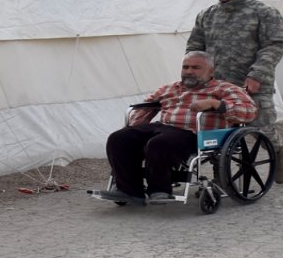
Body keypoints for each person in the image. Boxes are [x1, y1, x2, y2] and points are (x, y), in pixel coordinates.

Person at [103, 51, 257, 205]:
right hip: (164, 127)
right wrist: (134, 130)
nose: (189, 71)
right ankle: (129, 191)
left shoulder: (225, 89)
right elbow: (145, 107)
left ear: (211, 71)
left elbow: (249, 111)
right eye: (186, 67)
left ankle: (159, 190)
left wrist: (216, 104)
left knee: (159, 143)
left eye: (196, 67)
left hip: (196, 133)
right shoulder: (169, 88)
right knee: (119, 138)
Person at [185, 0, 283, 183]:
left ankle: (278, 152)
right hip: (217, 86)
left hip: (252, 83)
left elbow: (274, 46)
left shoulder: (264, 13)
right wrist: (194, 75)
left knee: (261, 127)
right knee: (217, 133)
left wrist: (257, 74)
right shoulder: (207, 15)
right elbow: (195, 48)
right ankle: (221, 176)